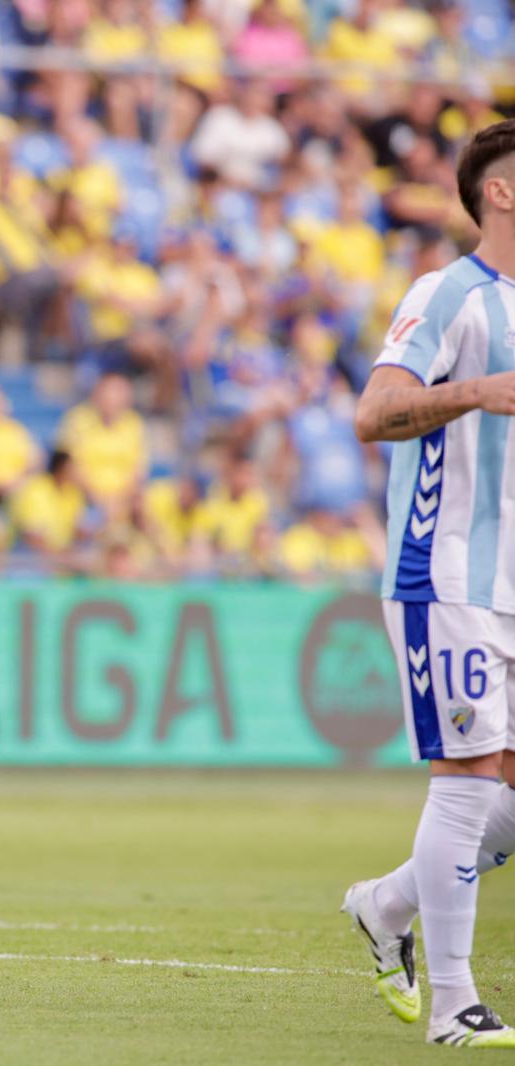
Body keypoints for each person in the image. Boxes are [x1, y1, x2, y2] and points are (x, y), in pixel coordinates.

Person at [343, 119, 515, 1049]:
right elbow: (373, 413)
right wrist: (469, 392)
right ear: (500, 190)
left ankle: (386, 904)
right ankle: (453, 1003)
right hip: (446, 574)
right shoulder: (449, 295)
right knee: (468, 776)